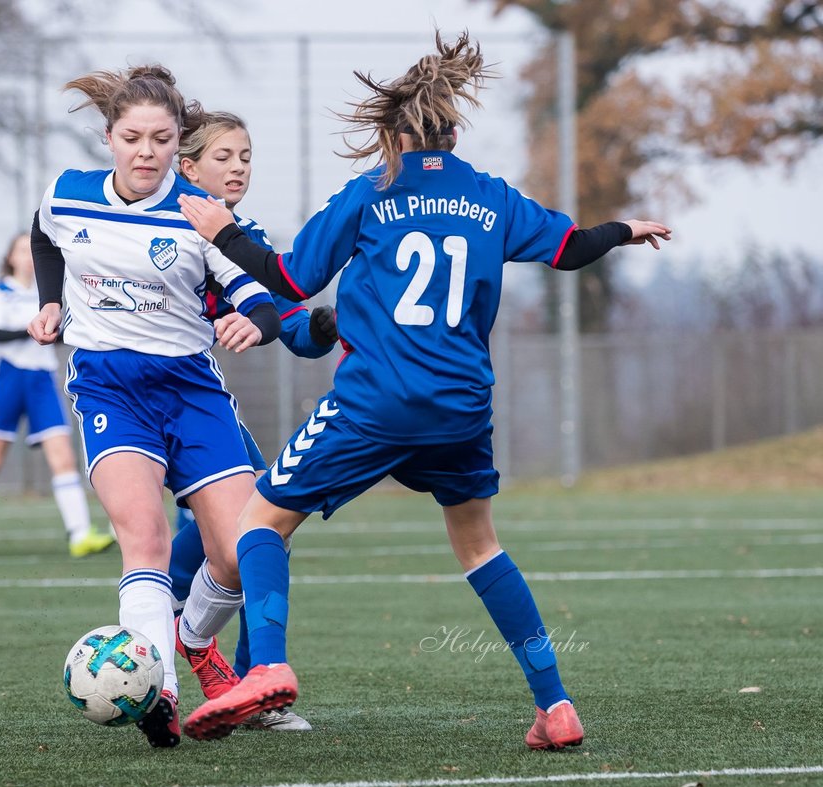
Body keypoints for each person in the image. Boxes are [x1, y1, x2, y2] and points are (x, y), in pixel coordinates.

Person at [176, 32, 672, 747]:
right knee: (480, 546)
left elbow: (289, 280)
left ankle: (269, 670)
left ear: (392, 133)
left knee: (260, 523)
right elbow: (570, 250)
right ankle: (555, 706)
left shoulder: (370, 193)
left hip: (377, 400)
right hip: (462, 405)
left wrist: (224, 231)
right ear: (454, 130)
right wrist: (624, 228)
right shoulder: (489, 195)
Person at [28, 64, 283, 748]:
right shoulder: (68, 194)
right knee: (144, 537)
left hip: (192, 392)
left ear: (178, 143)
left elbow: (260, 292)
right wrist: (49, 301)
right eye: (133, 137)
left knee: (240, 551)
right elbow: (44, 235)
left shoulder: (199, 213)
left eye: (162, 139)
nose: (147, 151)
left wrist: (256, 321)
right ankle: (160, 693)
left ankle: (187, 636)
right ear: (109, 137)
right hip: (110, 390)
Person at [168, 107, 340, 732]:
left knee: (255, 525)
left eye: (245, 157)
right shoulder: (150, 218)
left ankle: (241, 683)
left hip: (196, 403)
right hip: (131, 399)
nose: (239, 167)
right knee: (256, 521)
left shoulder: (244, 234)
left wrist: (321, 327)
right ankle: (177, 640)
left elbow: (288, 321)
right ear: (186, 167)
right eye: (224, 157)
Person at [0, 233, 117, 562]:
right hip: (9, 380)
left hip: (42, 382)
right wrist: (32, 328)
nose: (28, 258)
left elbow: (61, 332)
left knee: (63, 459)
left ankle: (80, 534)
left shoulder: (49, 297)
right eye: (20, 251)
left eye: (32, 252)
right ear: (10, 258)